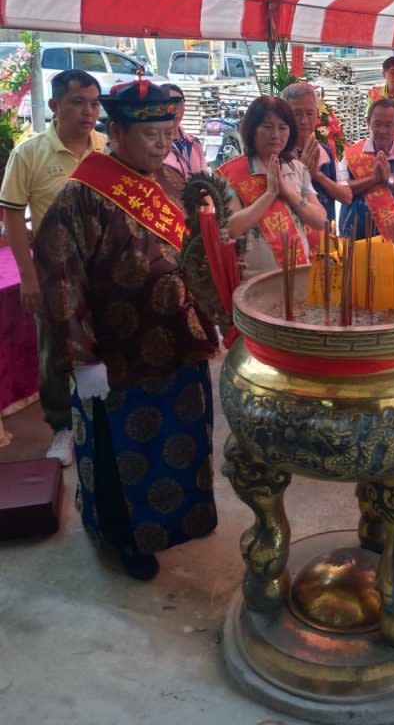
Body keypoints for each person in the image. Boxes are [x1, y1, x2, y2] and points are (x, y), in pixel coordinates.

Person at [33, 79, 219, 581]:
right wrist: (82, 358)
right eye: (152, 133)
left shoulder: (166, 182)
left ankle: (183, 518)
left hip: (177, 344)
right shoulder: (80, 194)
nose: (164, 143)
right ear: (115, 130)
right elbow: (58, 273)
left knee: (182, 440)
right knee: (123, 456)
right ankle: (124, 540)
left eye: (169, 131)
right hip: (117, 359)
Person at [0, 69, 105, 466]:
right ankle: (62, 428)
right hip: (53, 271)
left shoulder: (107, 149)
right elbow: (11, 215)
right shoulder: (28, 154)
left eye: (94, 103)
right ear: (55, 106)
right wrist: (28, 277)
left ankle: (100, 416)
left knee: (103, 340)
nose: (88, 112)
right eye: (78, 102)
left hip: (101, 268)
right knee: (56, 348)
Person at [218, 96, 326, 277]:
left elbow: (321, 220)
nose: (276, 134)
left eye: (282, 127)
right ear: (252, 130)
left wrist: (288, 194)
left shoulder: (297, 169)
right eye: (267, 127)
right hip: (255, 283)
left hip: (299, 274)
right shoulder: (230, 174)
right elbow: (231, 229)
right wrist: (269, 195)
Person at [337, 99, 394, 239]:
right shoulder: (352, 154)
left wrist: (390, 179)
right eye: (377, 124)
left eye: (389, 125)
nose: (382, 130)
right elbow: (340, 191)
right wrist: (372, 180)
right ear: (368, 123)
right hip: (354, 238)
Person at [281, 81, 352, 225]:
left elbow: (347, 196)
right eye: (297, 114)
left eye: (309, 113)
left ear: (317, 115)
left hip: (324, 237)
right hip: (294, 237)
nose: (304, 120)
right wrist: (302, 172)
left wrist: (318, 176)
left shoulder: (325, 152)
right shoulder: (279, 154)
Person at [161, 84, 208, 179]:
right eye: (169, 103)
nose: (175, 108)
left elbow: (205, 178)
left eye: (180, 102)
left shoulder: (194, 143)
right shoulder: (156, 145)